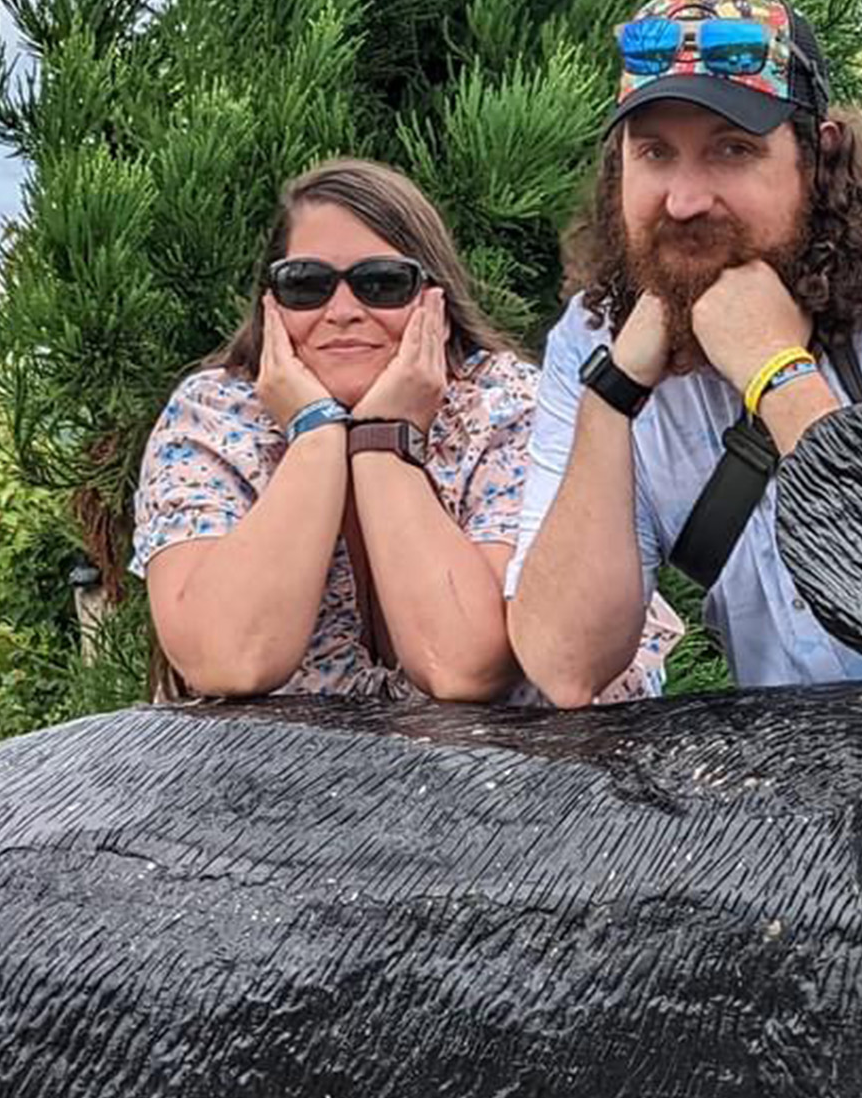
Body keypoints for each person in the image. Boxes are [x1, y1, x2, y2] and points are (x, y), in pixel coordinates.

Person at [506, 0, 862, 707]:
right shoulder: (597, 335)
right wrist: (614, 394)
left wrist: (778, 374)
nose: (684, 201)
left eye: (732, 150)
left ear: (818, 157)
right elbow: (564, 663)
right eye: (654, 152)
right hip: (793, 763)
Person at [132, 158, 679, 703]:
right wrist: (316, 432)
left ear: (434, 298)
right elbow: (231, 659)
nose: (342, 310)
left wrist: (382, 439)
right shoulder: (211, 417)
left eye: (381, 283)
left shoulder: (506, 408)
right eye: (307, 285)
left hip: (526, 756)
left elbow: (465, 668)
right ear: (270, 304)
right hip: (277, 761)